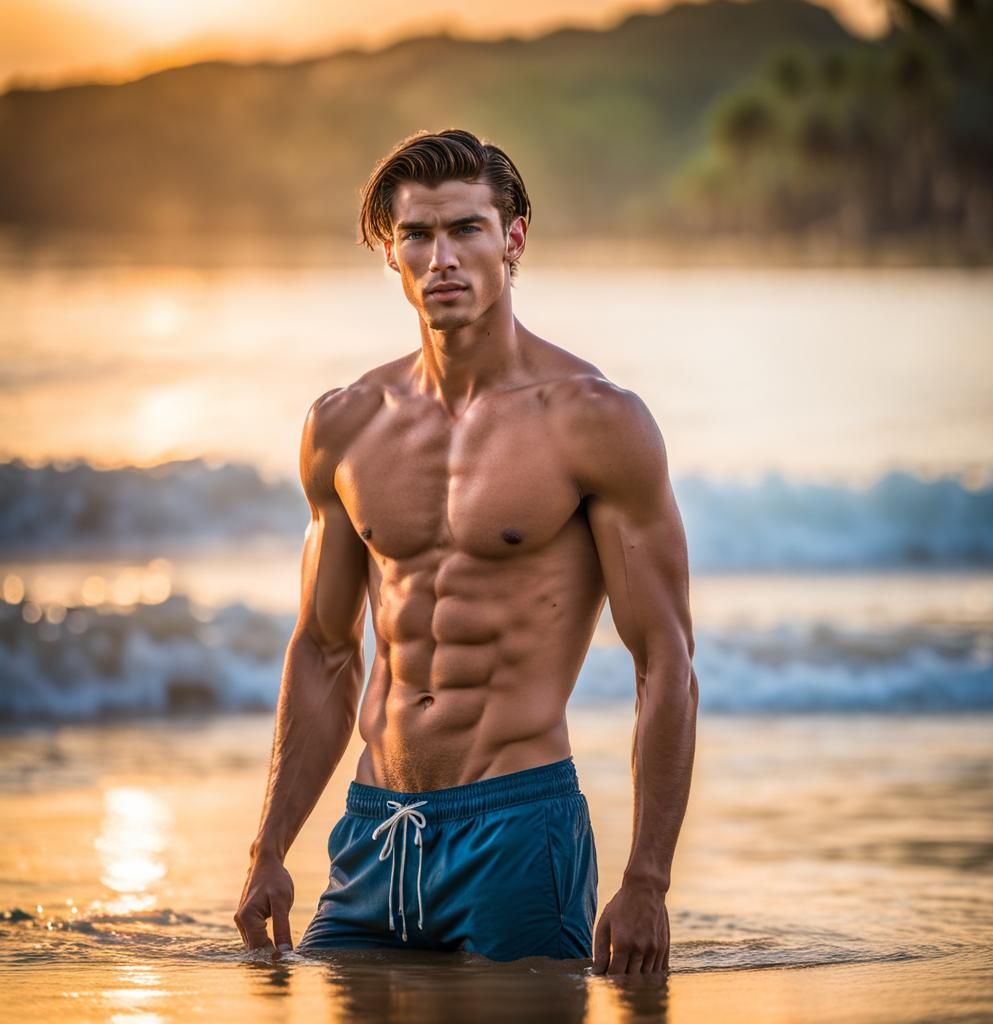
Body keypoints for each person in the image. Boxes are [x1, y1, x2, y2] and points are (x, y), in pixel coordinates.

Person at [234, 128, 699, 975]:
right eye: (417, 234)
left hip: (517, 830)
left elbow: (664, 659)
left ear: (512, 238)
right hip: (374, 833)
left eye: (466, 230)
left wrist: (648, 880)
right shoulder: (344, 424)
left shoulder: (595, 421)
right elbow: (326, 650)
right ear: (391, 251)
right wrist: (270, 845)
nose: (440, 257)